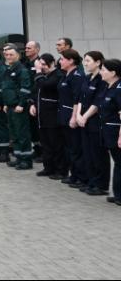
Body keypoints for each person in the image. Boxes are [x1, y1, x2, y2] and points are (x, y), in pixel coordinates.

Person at [75, 51, 110, 196]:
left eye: (88, 60)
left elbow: (98, 101)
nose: (85, 63)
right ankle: (92, 181)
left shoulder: (102, 80)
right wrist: (78, 115)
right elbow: (81, 99)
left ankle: (101, 184)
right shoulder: (87, 78)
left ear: (98, 62)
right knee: (88, 152)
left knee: (98, 154)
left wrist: (85, 116)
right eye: (84, 60)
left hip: (94, 121)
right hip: (84, 120)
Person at [31, 53, 68, 178]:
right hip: (42, 116)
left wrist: (37, 71)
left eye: (43, 64)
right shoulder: (43, 76)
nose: (41, 67)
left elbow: (45, 85)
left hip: (53, 116)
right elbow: (36, 90)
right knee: (45, 144)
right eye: (40, 65)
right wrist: (33, 104)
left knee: (56, 144)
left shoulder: (58, 75)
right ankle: (48, 168)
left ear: (51, 63)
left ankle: (60, 170)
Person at [0, 45, 34, 170]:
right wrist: (5, 103)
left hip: (18, 107)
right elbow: (5, 88)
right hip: (9, 106)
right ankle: (19, 157)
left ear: (18, 56)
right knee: (14, 134)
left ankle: (26, 160)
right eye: (7, 55)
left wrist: (21, 104)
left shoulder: (22, 70)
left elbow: (25, 89)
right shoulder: (8, 69)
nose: (8, 57)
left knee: (22, 134)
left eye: (11, 55)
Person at [58, 49, 87, 188]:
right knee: (69, 147)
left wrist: (74, 117)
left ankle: (81, 177)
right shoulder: (65, 75)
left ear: (71, 61)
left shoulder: (77, 76)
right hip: (63, 114)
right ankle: (74, 174)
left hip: (71, 115)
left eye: (62, 59)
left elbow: (77, 98)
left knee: (76, 148)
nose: (60, 61)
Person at [98, 59, 121, 206]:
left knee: (120, 163)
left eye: (104, 69)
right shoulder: (109, 86)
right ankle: (117, 193)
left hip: (116, 131)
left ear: (113, 73)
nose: (101, 72)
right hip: (108, 130)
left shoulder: (119, 89)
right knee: (118, 163)